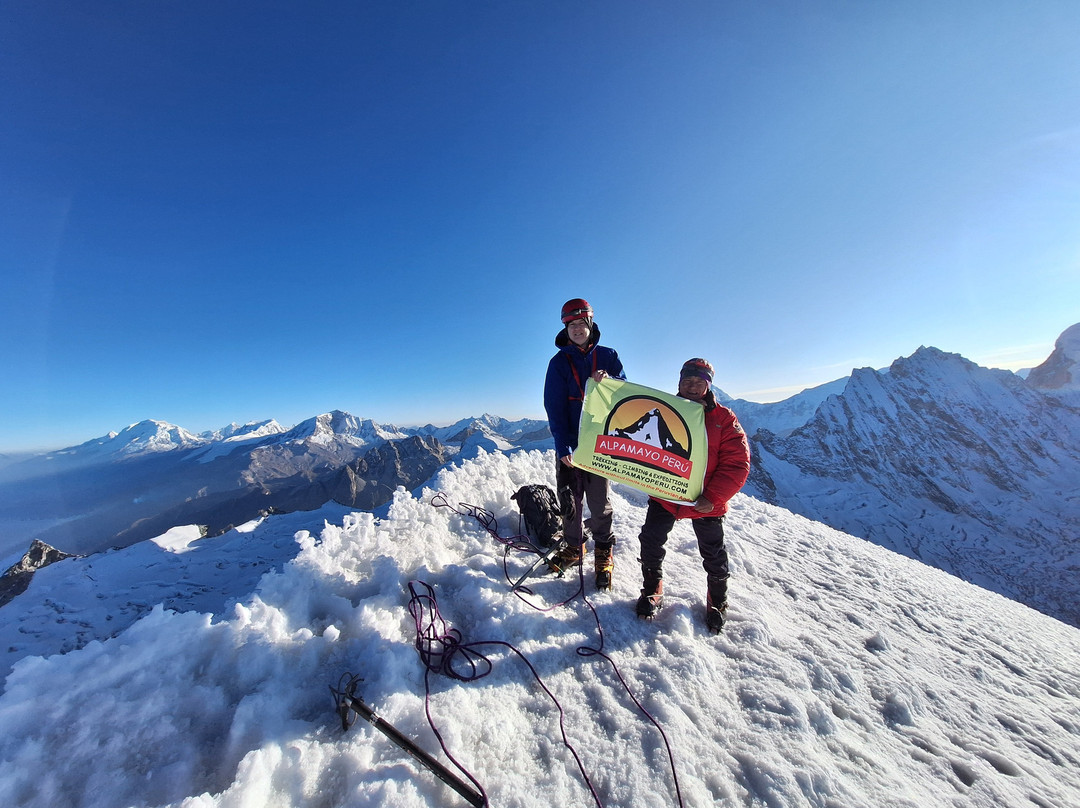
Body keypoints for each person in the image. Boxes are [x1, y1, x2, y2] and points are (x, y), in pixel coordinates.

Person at [635, 358, 750, 633]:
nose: (692, 386)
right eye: (687, 381)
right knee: (651, 540)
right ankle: (653, 589)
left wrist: (713, 497)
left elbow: (737, 464)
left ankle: (718, 601)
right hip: (666, 494)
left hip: (707, 499)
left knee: (714, 553)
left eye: (699, 382)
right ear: (679, 382)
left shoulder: (724, 419)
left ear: (708, 385)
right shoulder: (663, 410)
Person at [543, 298, 626, 589]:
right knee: (569, 500)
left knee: (598, 501)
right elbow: (554, 406)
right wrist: (562, 446)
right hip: (571, 444)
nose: (577, 329)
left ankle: (603, 550)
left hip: (600, 443)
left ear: (591, 325)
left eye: (581, 324)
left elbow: (624, 394)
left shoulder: (608, 355)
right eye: (572, 325)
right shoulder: (558, 363)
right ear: (566, 329)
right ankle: (574, 547)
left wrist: (610, 379)